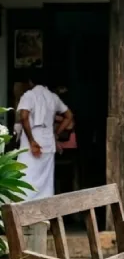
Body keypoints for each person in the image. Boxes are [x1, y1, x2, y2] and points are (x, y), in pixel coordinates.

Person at [16, 69, 73, 201]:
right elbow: (68, 116)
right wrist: (56, 133)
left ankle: (24, 209)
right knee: (45, 179)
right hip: (47, 139)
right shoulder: (53, 97)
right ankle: (44, 212)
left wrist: (31, 141)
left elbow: (24, 117)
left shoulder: (29, 95)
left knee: (26, 174)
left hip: (33, 137)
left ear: (31, 82)